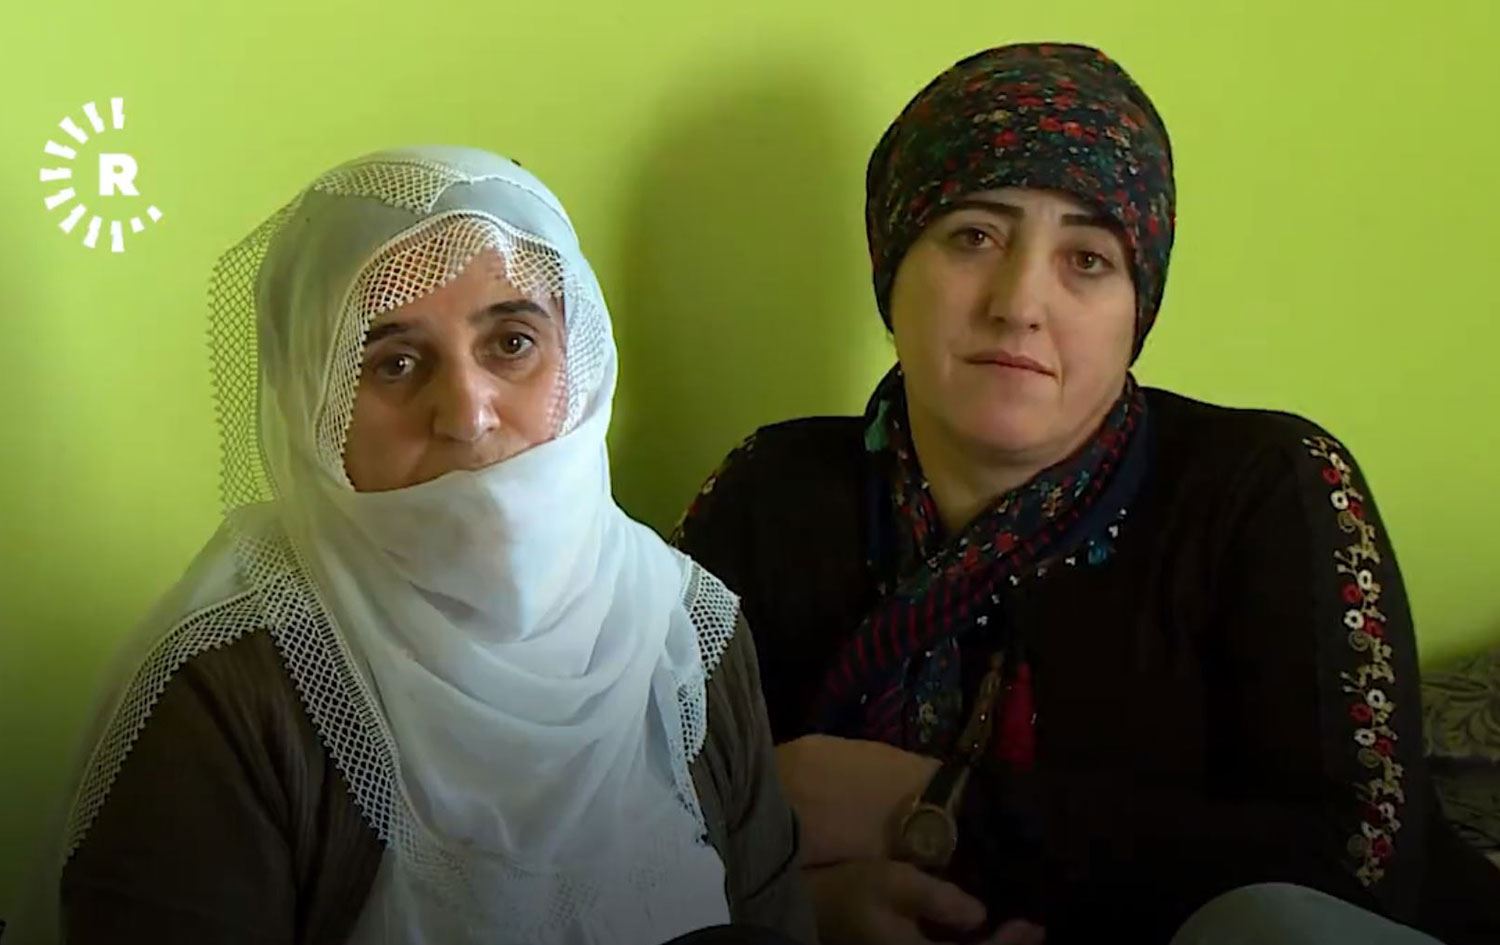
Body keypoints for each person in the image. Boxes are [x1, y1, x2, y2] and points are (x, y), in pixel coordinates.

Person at [672, 44, 1500, 945]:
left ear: (1138, 307)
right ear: (890, 265)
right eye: (974, 236)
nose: (1020, 302)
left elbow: (1360, 861)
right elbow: (621, 807)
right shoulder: (771, 491)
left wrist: (928, 805)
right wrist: (793, 908)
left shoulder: (1270, 486)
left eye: (1088, 259)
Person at [52, 146, 814, 945]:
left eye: (512, 343)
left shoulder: (685, 632)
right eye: (395, 363)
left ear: (581, 360)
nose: (468, 414)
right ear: (313, 409)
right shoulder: (226, 692)